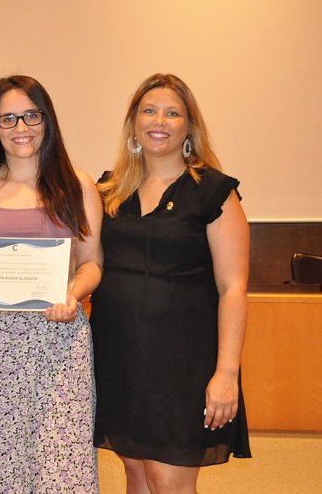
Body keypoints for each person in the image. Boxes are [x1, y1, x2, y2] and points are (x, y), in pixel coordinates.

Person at [91, 73, 252, 492]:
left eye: (172, 112)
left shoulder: (214, 192)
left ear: (188, 127)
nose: (159, 120)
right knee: (137, 474)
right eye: (149, 110)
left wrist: (226, 373)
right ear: (134, 123)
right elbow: (84, 264)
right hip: (119, 357)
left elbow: (233, 287)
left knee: (169, 480)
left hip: (184, 364)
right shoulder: (107, 190)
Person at [0, 75, 103, 492]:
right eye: (9, 119)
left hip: (59, 343)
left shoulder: (79, 186)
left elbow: (91, 265)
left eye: (31, 116)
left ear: (46, 120)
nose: (21, 128)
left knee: (60, 471)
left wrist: (72, 293)